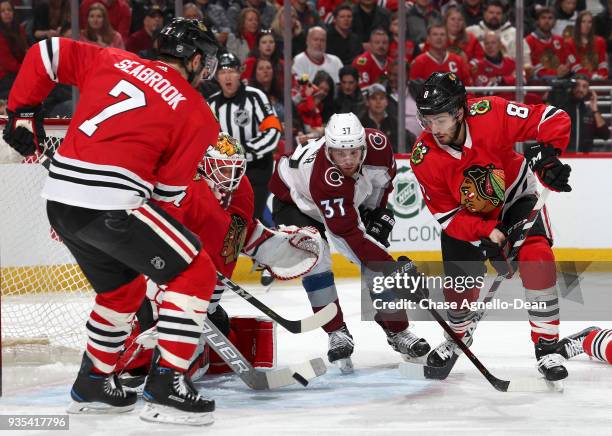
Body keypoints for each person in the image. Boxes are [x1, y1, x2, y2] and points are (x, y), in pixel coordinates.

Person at [2, 18, 222, 424]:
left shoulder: (112, 59)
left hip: (61, 201)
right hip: (112, 204)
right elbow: (167, 197)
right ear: (193, 59)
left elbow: (45, 53)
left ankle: (93, 384)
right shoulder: (197, 112)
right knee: (195, 272)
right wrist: (169, 264)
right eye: (205, 59)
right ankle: (167, 387)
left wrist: (21, 112)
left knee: (121, 294)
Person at [115, 132, 324, 385]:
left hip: (199, 287)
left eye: (236, 170)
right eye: (225, 171)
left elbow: (235, 238)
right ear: (205, 167)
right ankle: (133, 365)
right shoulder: (184, 187)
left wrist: (274, 245)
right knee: (148, 320)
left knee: (221, 329)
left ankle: (186, 352)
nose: (232, 178)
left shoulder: (241, 190)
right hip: (153, 276)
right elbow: (152, 239)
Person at [412, 72, 573, 382]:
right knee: (460, 288)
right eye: (426, 120)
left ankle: (547, 347)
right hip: (470, 218)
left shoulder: (491, 112)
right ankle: (458, 335)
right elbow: (448, 217)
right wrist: (486, 232)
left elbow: (553, 117)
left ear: (460, 111)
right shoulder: (424, 158)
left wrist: (548, 157)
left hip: (516, 199)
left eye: (440, 120)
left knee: (537, 258)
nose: (433, 129)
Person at [268, 113, 431, 373]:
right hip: (296, 203)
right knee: (318, 259)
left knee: (376, 251)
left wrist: (375, 212)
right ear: (328, 149)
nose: (346, 160)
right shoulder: (326, 177)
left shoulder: (379, 146)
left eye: (353, 152)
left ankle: (398, 330)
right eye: (338, 153)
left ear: (364, 146)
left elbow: (381, 184)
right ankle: (336, 331)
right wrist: (393, 271)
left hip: (342, 202)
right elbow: (349, 238)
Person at [207, 52, 282, 224]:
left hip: (256, 169)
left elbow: (273, 130)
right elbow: (206, 141)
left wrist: (244, 151)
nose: (228, 76)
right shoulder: (210, 104)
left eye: (232, 71)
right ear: (217, 76)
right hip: (225, 173)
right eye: (223, 72)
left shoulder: (255, 96)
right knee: (226, 222)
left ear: (239, 73)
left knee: (252, 221)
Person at [551, 75, 610, 152]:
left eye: (584, 86)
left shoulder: (590, 112)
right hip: (563, 158)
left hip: (584, 161)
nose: (580, 89)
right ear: (571, 87)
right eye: (577, 85)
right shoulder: (561, 108)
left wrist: (595, 109)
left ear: (588, 90)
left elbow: (605, 135)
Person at [359, 83, 416, 152]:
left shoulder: (394, 123)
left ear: (387, 101)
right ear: (367, 102)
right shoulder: (360, 124)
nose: (378, 102)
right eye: (374, 98)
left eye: (382, 98)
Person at [525, 7, 571, 80]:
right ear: (537, 21)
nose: (547, 21)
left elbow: (570, 58)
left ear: (554, 21)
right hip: (540, 81)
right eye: (543, 18)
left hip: (561, 78)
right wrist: (556, 73)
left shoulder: (559, 39)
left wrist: (566, 67)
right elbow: (533, 69)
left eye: (550, 18)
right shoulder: (528, 40)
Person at [567, 10, 609, 79]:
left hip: (599, 78)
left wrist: (601, 75)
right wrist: (592, 76)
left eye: (590, 22)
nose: (587, 25)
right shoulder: (569, 43)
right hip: (579, 79)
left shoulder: (600, 41)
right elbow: (575, 66)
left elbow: (603, 63)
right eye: (583, 22)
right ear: (578, 24)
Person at [0, 0, 28, 99]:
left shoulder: (20, 29)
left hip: (19, 71)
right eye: (2, 11)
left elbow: (26, 52)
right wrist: (27, 70)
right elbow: (8, 64)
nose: (7, 12)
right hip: (4, 76)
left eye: (9, 10)